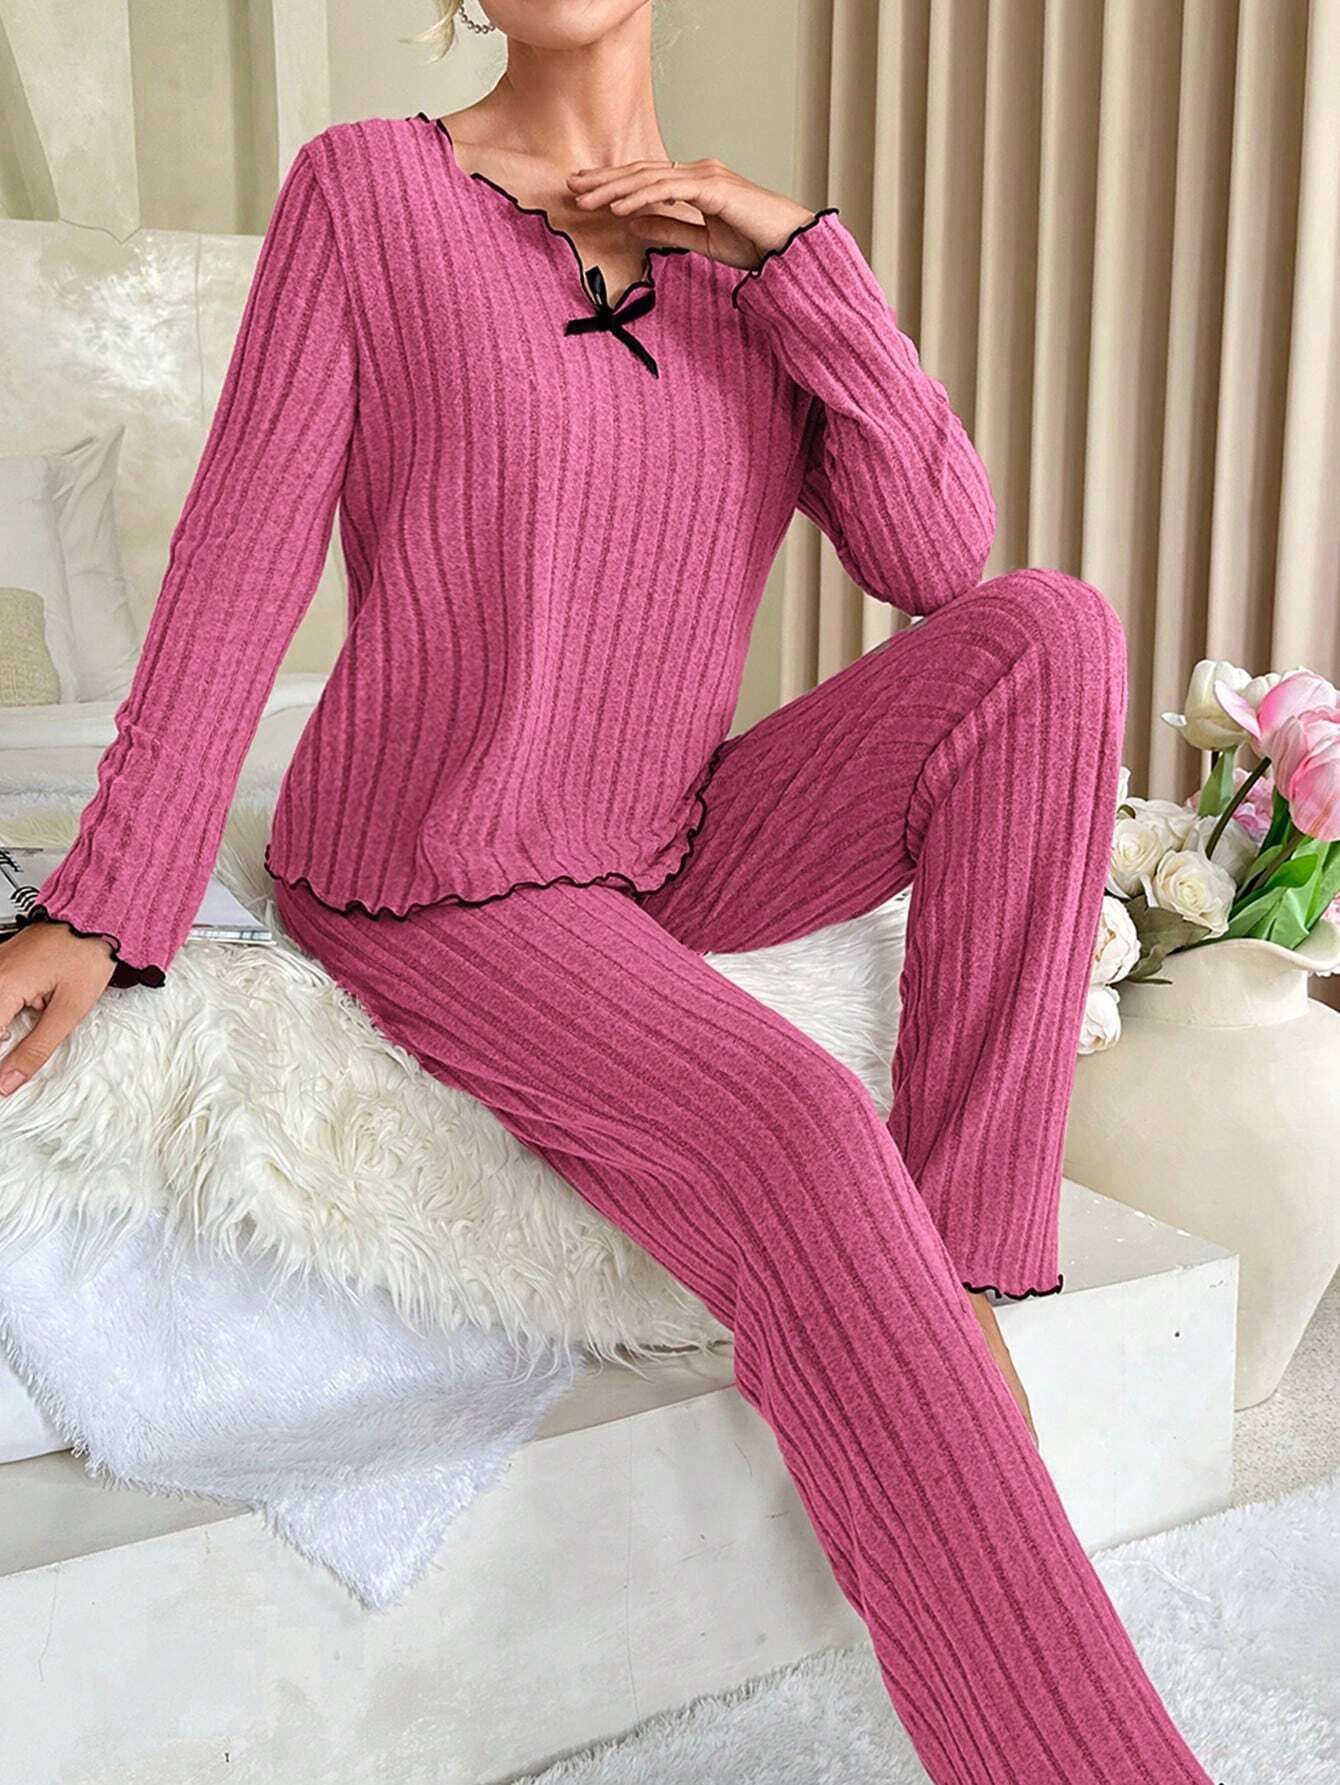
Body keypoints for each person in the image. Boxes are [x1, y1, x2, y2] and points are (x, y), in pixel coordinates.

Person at [0, 4, 1219, 1780]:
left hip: (666, 835)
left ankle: (957, 1267)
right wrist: (109, 902)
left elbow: (937, 555)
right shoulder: (369, 195)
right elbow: (238, 566)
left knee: (1052, 632)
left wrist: (799, 263)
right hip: (435, 874)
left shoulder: (751, 268)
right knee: (800, 1124)